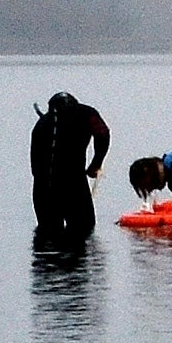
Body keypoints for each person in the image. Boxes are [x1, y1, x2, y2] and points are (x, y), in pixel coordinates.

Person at [30, 91, 111, 237]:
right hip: (74, 186)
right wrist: (96, 163)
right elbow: (103, 133)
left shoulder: (41, 124)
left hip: (42, 189)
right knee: (83, 232)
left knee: (48, 235)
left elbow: (35, 166)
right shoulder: (86, 113)